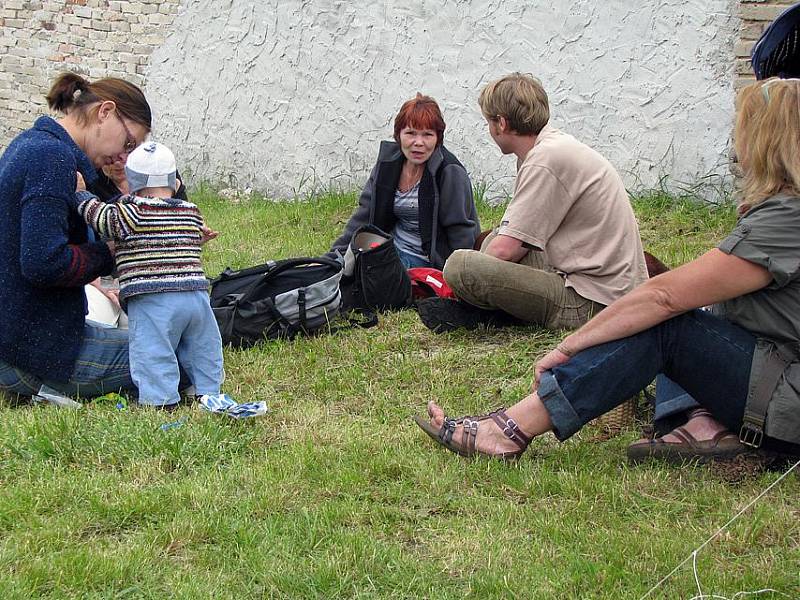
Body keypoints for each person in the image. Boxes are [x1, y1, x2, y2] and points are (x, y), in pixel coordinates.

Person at [414, 77, 800, 464]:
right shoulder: (781, 212)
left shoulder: (786, 221)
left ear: (766, 140)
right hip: (774, 376)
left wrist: (569, 346)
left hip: (785, 400)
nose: (735, 142)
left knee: (664, 322)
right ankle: (703, 421)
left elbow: (663, 297)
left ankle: (510, 429)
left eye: (742, 129)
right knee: (680, 316)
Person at [416, 73, 648, 333]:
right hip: (595, 281)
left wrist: (470, 282)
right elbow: (511, 234)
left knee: (462, 266)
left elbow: (506, 250)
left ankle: (488, 314)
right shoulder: (548, 148)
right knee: (490, 241)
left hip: (593, 302)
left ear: (501, 123)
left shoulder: (544, 160)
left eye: (488, 122)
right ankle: (494, 311)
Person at [0, 72, 151, 401]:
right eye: (128, 143)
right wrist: (110, 253)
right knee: (179, 353)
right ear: (105, 112)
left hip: (23, 339)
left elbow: (108, 212)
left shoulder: (38, 145)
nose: (124, 157)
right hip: (32, 354)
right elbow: (43, 262)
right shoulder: (51, 159)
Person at [72, 141, 224, 408]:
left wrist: (82, 196)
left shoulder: (132, 212)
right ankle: (208, 392)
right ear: (175, 184)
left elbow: (101, 217)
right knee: (202, 347)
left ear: (133, 184)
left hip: (154, 299)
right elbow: (189, 239)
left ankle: (161, 401)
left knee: (152, 351)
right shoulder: (190, 211)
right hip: (196, 298)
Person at [330, 94, 479, 269]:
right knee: (344, 273)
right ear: (398, 135)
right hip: (390, 251)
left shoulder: (449, 172)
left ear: (438, 138)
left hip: (427, 262)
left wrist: (458, 278)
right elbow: (363, 217)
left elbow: (461, 233)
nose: (418, 143)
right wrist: (332, 259)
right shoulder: (387, 164)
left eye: (427, 135)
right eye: (410, 133)